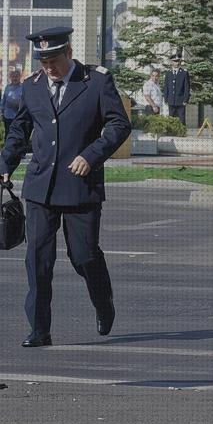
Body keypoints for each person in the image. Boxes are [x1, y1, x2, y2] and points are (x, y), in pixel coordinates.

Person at [0, 27, 130, 347]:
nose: (49, 67)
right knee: (38, 261)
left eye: (54, 59)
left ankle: (103, 302)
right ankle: (40, 329)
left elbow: (119, 124)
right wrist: (5, 164)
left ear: (68, 53)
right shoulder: (32, 87)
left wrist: (92, 155)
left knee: (83, 256)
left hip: (79, 187)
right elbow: (20, 129)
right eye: (43, 60)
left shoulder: (96, 82)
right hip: (41, 188)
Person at [163, 55, 190, 125]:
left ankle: (182, 133)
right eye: (175, 61)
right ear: (171, 62)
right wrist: (166, 99)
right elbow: (166, 87)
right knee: (171, 118)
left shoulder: (184, 73)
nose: (177, 63)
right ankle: (171, 133)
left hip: (181, 101)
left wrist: (185, 99)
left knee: (181, 119)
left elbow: (187, 87)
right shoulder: (168, 73)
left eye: (178, 61)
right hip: (171, 100)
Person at [3, 69, 24, 139]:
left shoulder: (23, 88)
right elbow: (3, 100)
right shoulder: (7, 87)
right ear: (10, 77)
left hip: (18, 115)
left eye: (16, 76)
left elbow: (25, 101)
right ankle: (7, 148)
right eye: (13, 76)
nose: (15, 78)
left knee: (17, 133)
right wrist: (1, 111)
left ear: (19, 77)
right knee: (7, 132)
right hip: (7, 115)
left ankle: (17, 148)